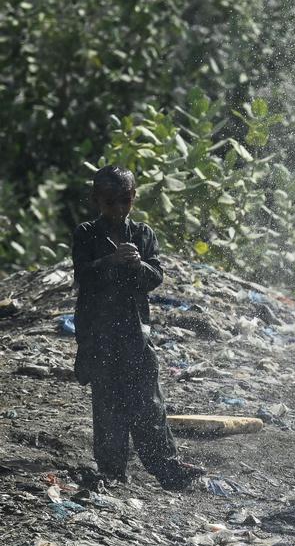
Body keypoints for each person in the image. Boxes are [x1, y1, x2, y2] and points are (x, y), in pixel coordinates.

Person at [72, 166, 205, 490]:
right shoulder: (87, 233)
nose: (119, 209)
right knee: (108, 403)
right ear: (96, 200)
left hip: (134, 329)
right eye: (111, 201)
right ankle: (113, 471)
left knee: (148, 400)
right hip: (99, 331)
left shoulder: (143, 235)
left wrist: (137, 265)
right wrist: (110, 262)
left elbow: (155, 277)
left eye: (125, 200)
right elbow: (82, 276)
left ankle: (167, 469)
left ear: (134, 197)